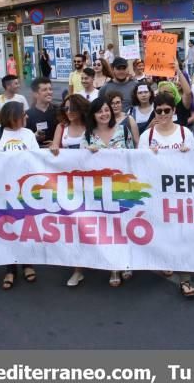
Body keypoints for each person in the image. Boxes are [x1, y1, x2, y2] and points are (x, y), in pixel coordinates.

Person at [138, 92, 194, 298]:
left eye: (167, 110)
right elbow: (139, 166)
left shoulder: (184, 134)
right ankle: (165, 260)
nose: (163, 114)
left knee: (182, 235)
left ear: (174, 111)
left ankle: (186, 279)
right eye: (159, 111)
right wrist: (149, 157)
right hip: (156, 194)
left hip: (180, 193)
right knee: (162, 232)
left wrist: (186, 154)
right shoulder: (148, 136)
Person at [0, 102, 39, 289]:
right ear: (13, 116)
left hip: (25, 192)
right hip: (2, 192)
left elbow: (38, 159)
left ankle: (27, 264)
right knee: (7, 229)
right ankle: (10, 268)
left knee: (25, 228)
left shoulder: (28, 134)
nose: (26, 117)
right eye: (23, 114)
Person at [82, 97, 134, 287]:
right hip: (100, 190)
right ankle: (113, 267)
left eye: (106, 110)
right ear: (93, 115)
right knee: (108, 229)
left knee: (125, 226)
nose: (104, 114)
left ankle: (127, 262)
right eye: (99, 111)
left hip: (123, 187)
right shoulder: (87, 136)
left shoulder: (123, 130)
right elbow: (80, 164)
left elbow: (133, 156)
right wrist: (88, 152)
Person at [49, 94, 90, 288]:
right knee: (73, 226)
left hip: (91, 184)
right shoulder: (61, 128)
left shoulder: (90, 126)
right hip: (68, 186)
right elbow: (55, 146)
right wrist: (54, 147)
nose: (69, 112)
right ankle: (78, 269)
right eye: (66, 109)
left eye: (72, 108)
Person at [25, 77, 57, 148]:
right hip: (37, 154)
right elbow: (24, 138)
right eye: (44, 90)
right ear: (35, 94)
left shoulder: (59, 111)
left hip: (57, 153)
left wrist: (57, 142)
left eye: (50, 89)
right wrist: (34, 137)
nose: (49, 92)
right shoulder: (27, 115)